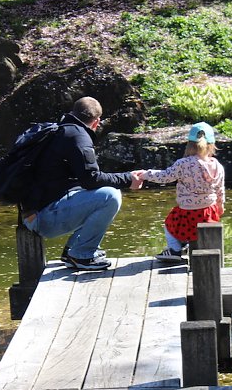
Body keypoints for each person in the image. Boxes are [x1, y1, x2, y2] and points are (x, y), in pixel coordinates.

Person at [21, 97, 144, 271]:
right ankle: (82, 254)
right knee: (110, 196)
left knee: (96, 193)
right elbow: (91, 179)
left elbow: (85, 182)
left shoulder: (60, 132)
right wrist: (128, 179)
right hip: (43, 219)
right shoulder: (78, 136)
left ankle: (73, 251)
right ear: (97, 122)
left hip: (34, 215)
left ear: (72, 113)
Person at [133, 122, 225, 264]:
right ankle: (184, 245)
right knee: (193, 225)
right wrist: (220, 207)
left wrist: (145, 174)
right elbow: (220, 190)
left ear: (189, 145)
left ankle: (175, 250)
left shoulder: (183, 163)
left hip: (189, 212)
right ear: (212, 145)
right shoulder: (217, 165)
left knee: (170, 223)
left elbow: (165, 176)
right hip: (209, 211)